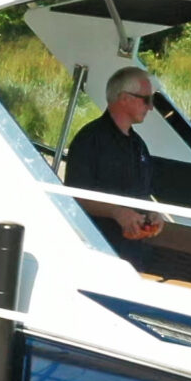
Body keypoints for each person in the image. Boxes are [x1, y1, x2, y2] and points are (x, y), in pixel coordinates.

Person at [62, 65, 165, 257]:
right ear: (125, 99)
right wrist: (116, 212)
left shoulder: (138, 145)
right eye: (146, 100)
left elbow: (144, 192)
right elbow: (74, 197)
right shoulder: (89, 140)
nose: (150, 107)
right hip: (98, 249)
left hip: (133, 250)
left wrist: (152, 213)